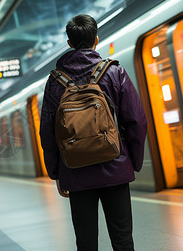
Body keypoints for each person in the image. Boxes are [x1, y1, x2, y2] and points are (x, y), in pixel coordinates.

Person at [40, 14, 147, 250]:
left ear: (69, 43)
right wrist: (133, 162)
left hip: (75, 171)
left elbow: (47, 132)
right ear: (96, 39)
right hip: (115, 166)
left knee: (86, 242)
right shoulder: (114, 72)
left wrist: (56, 172)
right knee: (122, 238)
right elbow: (136, 120)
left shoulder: (55, 81)